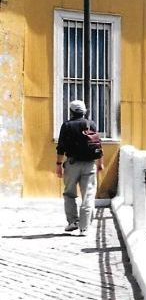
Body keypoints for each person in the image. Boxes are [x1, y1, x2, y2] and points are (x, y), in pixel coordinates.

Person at [56, 99, 103, 234]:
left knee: (69, 193)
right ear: (84, 111)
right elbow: (97, 144)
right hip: (89, 165)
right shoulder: (91, 124)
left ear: (70, 111)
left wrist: (58, 164)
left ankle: (73, 222)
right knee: (88, 195)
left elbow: (61, 148)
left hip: (72, 164)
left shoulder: (66, 126)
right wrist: (100, 163)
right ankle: (84, 227)